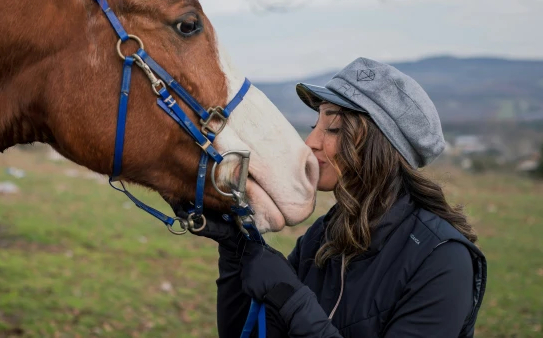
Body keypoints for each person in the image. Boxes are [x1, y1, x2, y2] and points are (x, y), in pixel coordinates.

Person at [186, 57, 487, 338]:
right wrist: (235, 248)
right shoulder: (324, 236)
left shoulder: (443, 259)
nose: (311, 142)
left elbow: (292, 306)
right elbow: (248, 333)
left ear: (378, 145)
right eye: (314, 125)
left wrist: (292, 300)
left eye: (333, 128)